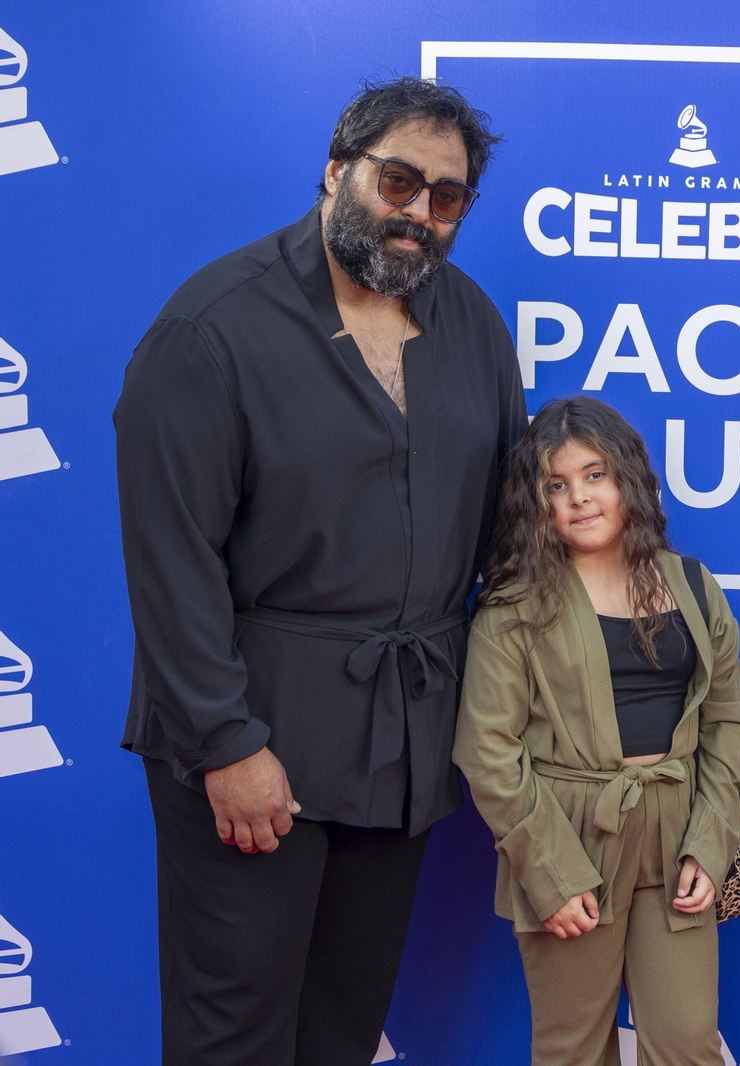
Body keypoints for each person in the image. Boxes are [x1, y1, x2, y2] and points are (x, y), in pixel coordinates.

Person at [113, 78, 524, 1065]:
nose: (419, 212)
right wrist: (225, 744)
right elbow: (170, 562)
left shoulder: (470, 321)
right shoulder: (211, 327)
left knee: (341, 1030)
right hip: (260, 739)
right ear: (335, 172)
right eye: (398, 181)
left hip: (404, 744)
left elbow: (509, 524)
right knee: (235, 1037)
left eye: (447, 197)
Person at [453, 396, 740, 1066]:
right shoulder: (512, 607)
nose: (579, 499)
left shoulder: (693, 586)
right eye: (555, 486)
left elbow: (731, 721)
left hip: (678, 837)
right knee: (573, 1051)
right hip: (567, 836)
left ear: (629, 480)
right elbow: (488, 752)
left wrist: (710, 842)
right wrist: (550, 871)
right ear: (537, 505)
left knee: (686, 1045)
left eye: (595, 476)